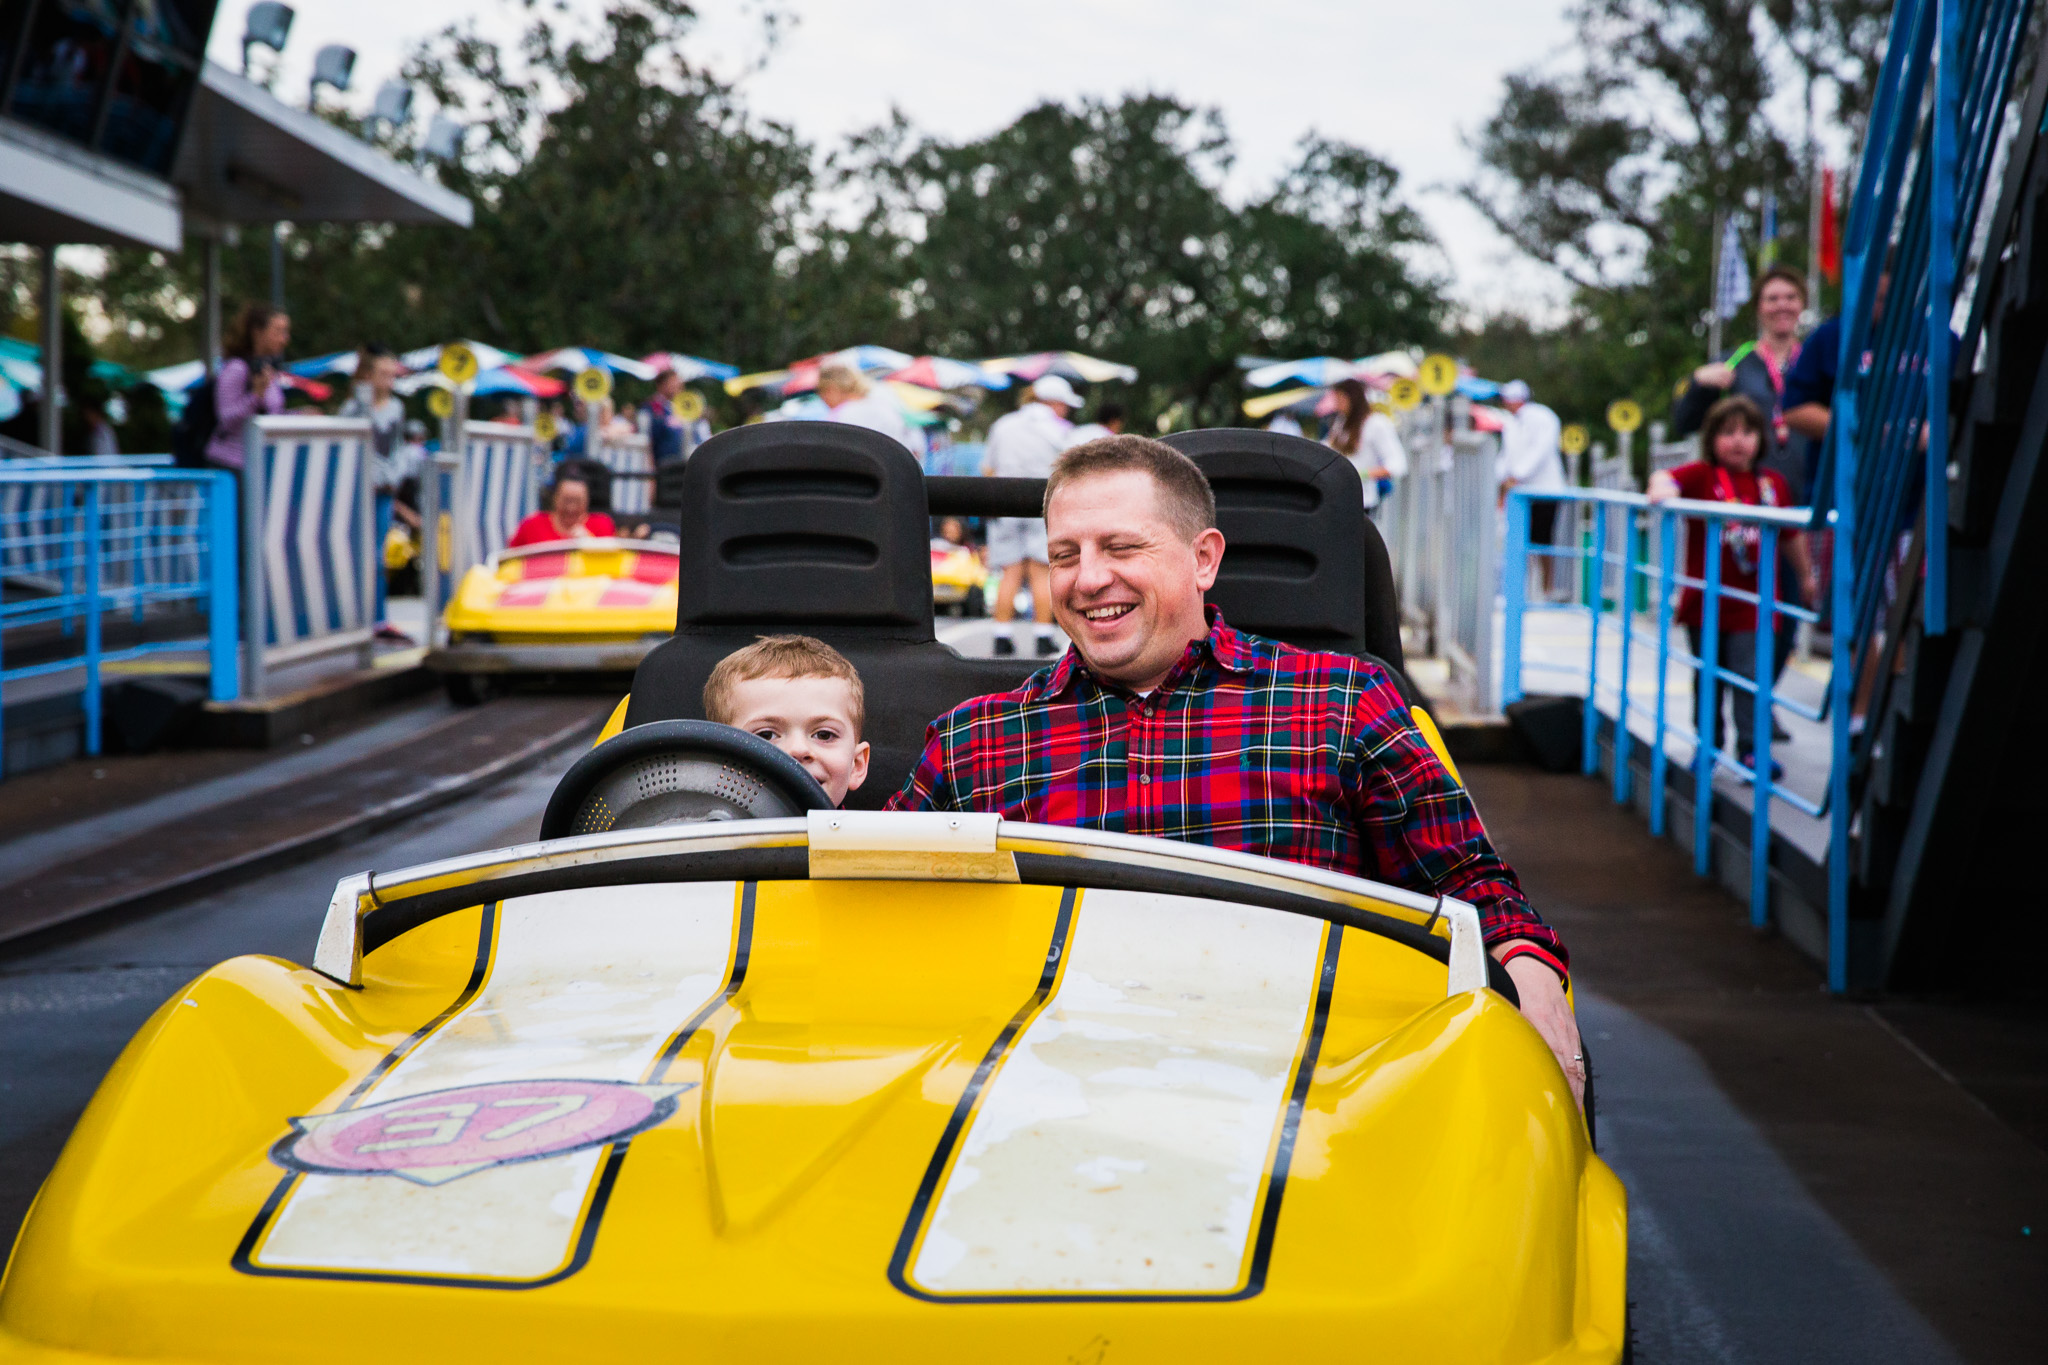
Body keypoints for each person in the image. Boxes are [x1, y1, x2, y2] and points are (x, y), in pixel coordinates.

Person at [888, 435, 1585, 1104]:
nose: (1088, 577)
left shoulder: (1341, 702)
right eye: (1065, 554)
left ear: (1204, 559)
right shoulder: (975, 739)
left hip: (1310, 1090)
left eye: (1121, 546)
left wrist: (1531, 977)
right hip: (1054, 1083)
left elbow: (1467, 880)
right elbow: (866, 890)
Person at [1648, 395, 1814, 776]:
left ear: (1761, 438)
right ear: (1711, 439)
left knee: (1750, 676)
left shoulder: (1772, 484)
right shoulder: (1700, 476)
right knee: (1707, 677)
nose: (1738, 441)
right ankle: (1708, 745)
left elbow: (1791, 536)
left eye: (1747, 432)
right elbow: (1664, 478)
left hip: (1755, 603)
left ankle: (1752, 749)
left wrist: (1806, 576)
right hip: (1704, 602)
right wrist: (1661, 488)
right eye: (1727, 433)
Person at [1673, 265, 1811, 500]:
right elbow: (1684, 423)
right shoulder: (1733, 362)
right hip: (1747, 498)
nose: (1782, 305)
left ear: (1802, 304)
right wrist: (1698, 384)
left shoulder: (1815, 360)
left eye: (1791, 297)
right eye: (1772, 299)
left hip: (1809, 493)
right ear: (1758, 306)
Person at [703, 634, 870, 807]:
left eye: (824, 735)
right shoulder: (689, 831)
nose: (797, 750)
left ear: (856, 765)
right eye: (766, 735)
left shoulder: (887, 831)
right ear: (719, 766)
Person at [983, 375, 1084, 657]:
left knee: (1010, 571)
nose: (1065, 410)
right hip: (1043, 503)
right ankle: (1042, 635)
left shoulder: (1003, 425)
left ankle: (1001, 635)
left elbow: (988, 468)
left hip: (1005, 503)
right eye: (1064, 404)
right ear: (1053, 403)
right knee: (1042, 570)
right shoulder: (1061, 430)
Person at [342, 344, 413, 642]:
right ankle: (353, 617)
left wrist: (394, 477)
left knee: (379, 556)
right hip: (357, 493)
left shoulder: (396, 408)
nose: (389, 380)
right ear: (369, 375)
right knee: (356, 554)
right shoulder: (353, 408)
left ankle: (378, 617)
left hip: (384, 490)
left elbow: (397, 449)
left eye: (391, 374)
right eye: (383, 374)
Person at [1497, 379, 1568, 597]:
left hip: (1544, 490)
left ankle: (1545, 590)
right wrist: (1502, 478)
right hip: (1521, 492)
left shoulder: (1543, 417)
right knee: (1521, 540)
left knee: (1542, 540)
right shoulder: (1513, 422)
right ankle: (1524, 590)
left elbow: (1540, 450)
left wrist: (1516, 476)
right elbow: (1507, 456)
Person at [205, 303, 289, 472]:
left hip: (256, 463)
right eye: (278, 331)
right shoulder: (237, 368)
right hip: (230, 465)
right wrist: (255, 397)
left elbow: (272, 416)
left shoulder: (268, 371)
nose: (284, 339)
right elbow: (227, 419)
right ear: (257, 333)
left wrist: (299, 416)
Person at [1323, 378, 1407, 515]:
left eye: (1339, 399)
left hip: (1361, 500)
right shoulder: (1341, 423)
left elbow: (1397, 465)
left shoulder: (1376, 423)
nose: (1336, 405)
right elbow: (1326, 448)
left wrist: (1361, 473)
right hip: (1336, 497)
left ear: (1352, 399)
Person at [816, 363, 913, 449]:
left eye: (821, 393)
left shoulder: (839, 416)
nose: (823, 400)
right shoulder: (885, 407)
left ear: (831, 389)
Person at [508, 473, 616, 547]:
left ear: (587, 501)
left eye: (577, 501)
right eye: (566, 500)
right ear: (555, 498)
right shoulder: (532, 524)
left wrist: (591, 544)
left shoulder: (602, 524)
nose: (571, 507)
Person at [646, 368, 688, 465]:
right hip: (662, 465)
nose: (678, 386)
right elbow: (648, 440)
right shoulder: (652, 407)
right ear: (661, 385)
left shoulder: (676, 407)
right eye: (673, 382)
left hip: (681, 463)